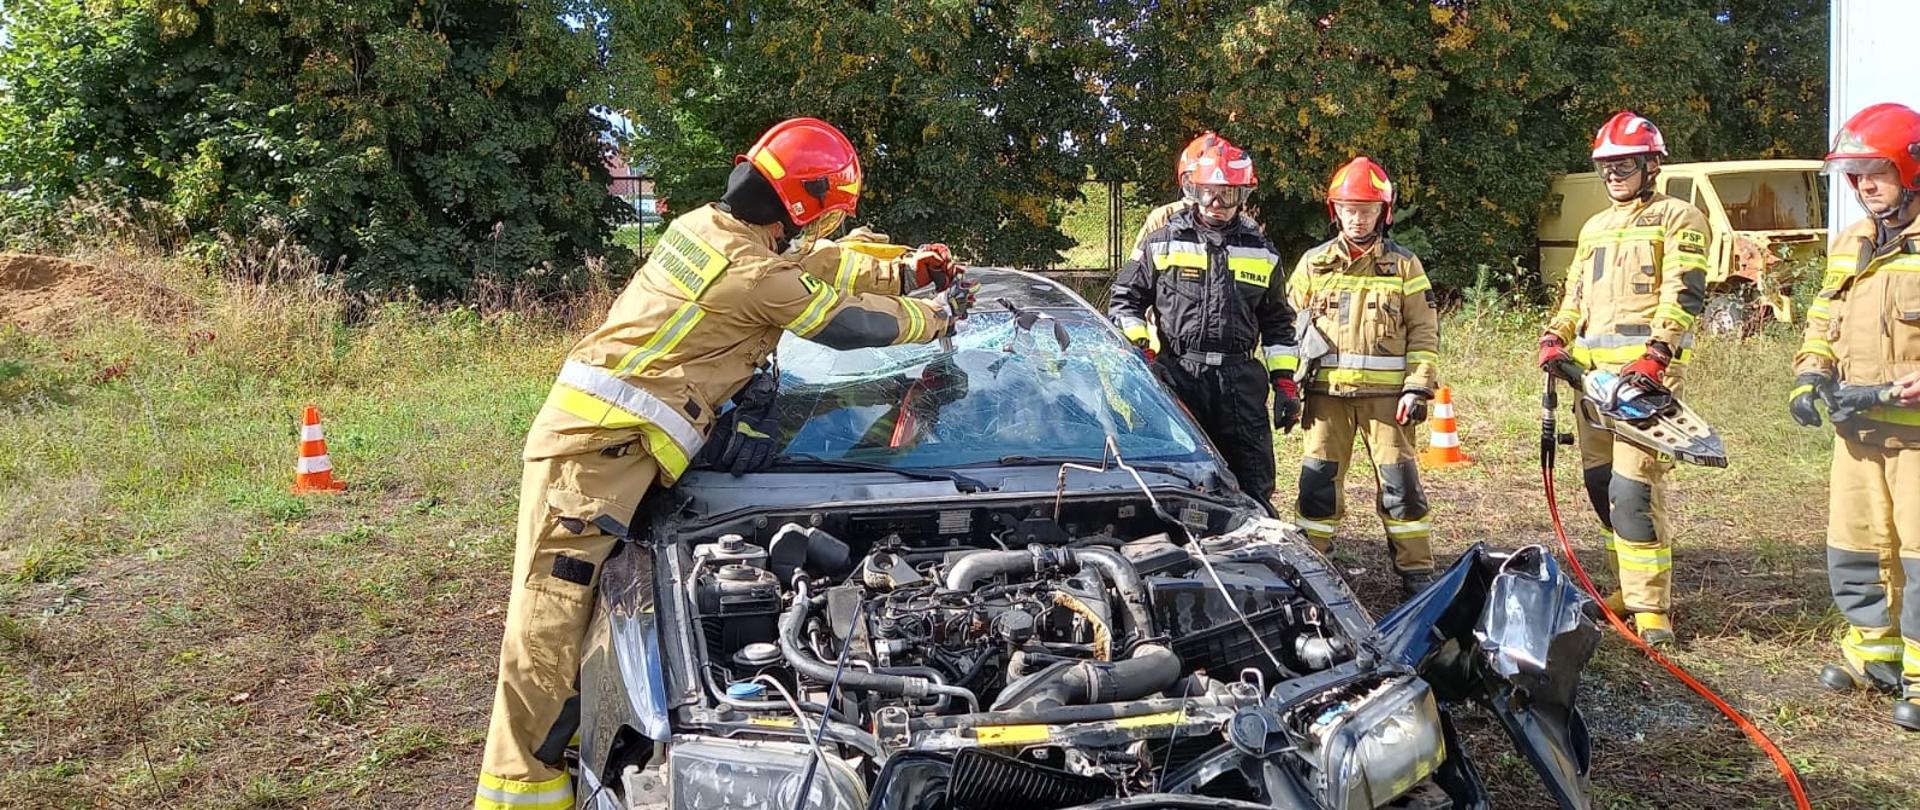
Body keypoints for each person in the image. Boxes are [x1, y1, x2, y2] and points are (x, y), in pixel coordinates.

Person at [475, 117, 973, 807]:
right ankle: (518, 792)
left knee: (565, 628)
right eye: (825, 212)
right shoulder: (751, 273)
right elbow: (842, 322)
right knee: (548, 630)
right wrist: (936, 317)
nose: (827, 227)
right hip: (589, 457)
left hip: (624, 446)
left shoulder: (712, 229)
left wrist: (902, 268)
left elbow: (812, 267)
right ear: (801, 205)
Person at [1536, 111, 1711, 647]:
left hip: (1645, 385)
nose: (1614, 175)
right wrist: (1555, 336)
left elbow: (1684, 292)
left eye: (1625, 164)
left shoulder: (1679, 218)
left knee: (1634, 490)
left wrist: (1658, 354)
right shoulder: (1595, 227)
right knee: (1601, 486)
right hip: (1591, 382)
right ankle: (1623, 588)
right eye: (1607, 166)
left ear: (1651, 165)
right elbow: (1575, 297)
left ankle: (1650, 606)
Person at [1788, 102, 1920, 731]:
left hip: (1917, 436)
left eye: (1876, 172)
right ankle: (1873, 656)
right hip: (1857, 430)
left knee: (1919, 556)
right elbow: (1823, 318)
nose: (1864, 186)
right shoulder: (1853, 241)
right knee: (1857, 548)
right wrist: (1810, 372)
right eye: (1856, 175)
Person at [1109, 132, 1298, 505]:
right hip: (1178, 376)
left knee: (1253, 481)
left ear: (1243, 196)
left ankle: (1251, 553)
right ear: (1192, 189)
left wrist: (1286, 384)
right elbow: (1124, 300)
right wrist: (1143, 351)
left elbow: (1278, 322)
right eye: (1207, 191)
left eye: (1227, 194)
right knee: (1169, 476)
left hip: (1240, 384)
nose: (1216, 202)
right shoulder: (1162, 242)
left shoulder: (1261, 251)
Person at [1287, 157, 1442, 593]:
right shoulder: (1313, 265)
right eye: (1349, 209)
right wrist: (1287, 384)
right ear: (1335, 211)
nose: (1357, 219)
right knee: (1317, 485)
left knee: (1401, 486)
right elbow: (1286, 327)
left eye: (1367, 210)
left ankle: (1415, 572)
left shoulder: (1404, 266)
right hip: (1325, 397)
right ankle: (1314, 568)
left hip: (1389, 401)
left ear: (1383, 213)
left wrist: (1418, 387)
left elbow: (1425, 331)